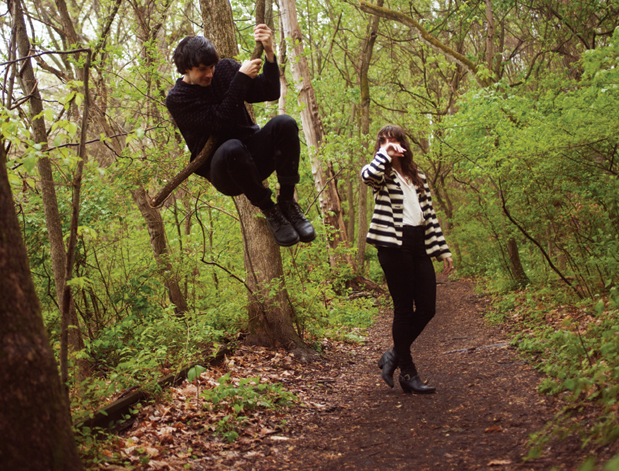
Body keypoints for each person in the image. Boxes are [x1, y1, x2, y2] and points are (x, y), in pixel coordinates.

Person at [165, 25, 315, 247]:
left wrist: (269, 53)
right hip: (227, 173)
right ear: (186, 69)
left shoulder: (225, 69)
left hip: (254, 156)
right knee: (232, 147)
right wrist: (241, 79)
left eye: (212, 67)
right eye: (202, 69)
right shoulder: (178, 98)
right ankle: (270, 210)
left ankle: (287, 203)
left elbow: (270, 91)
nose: (210, 73)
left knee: (285, 123)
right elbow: (220, 121)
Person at [361, 125, 453, 394]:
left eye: (395, 140)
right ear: (380, 146)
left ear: (403, 144)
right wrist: (384, 154)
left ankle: (393, 355)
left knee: (427, 308)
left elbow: (430, 215)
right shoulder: (380, 172)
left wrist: (442, 249)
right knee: (403, 308)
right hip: (393, 244)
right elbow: (368, 176)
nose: (390, 143)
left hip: (418, 242)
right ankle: (408, 372)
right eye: (384, 141)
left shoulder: (417, 175)